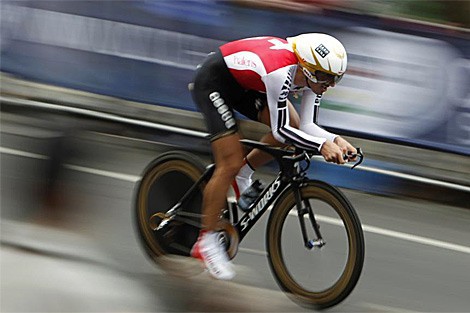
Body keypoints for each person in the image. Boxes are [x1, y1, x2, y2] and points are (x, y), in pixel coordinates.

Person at [189, 33, 357, 280]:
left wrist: (335, 140)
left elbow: (307, 126)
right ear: (308, 68)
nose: (328, 85)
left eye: (335, 79)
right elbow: (280, 132)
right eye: (325, 78)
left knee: (295, 126)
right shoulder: (280, 72)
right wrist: (321, 147)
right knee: (229, 161)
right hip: (214, 83)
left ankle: (243, 175)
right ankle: (206, 241)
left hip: (246, 84)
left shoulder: (314, 76)